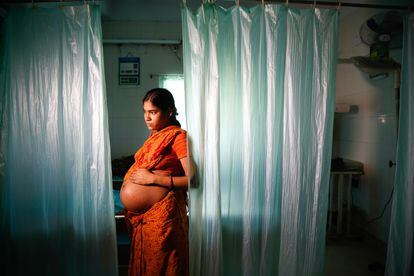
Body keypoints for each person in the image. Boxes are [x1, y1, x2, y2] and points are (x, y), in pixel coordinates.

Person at [120, 88, 193, 276]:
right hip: (143, 220)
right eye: (145, 112)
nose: (147, 117)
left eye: (153, 112)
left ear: (169, 112)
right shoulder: (154, 136)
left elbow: (192, 179)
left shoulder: (178, 136)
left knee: (162, 267)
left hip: (163, 217)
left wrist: (153, 179)